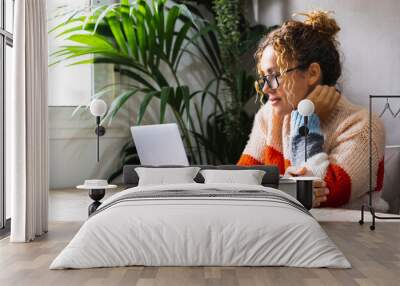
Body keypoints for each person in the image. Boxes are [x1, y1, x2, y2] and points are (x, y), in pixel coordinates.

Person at [237, 10, 385, 208]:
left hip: (347, 235)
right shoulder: (268, 116)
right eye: (264, 78)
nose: (265, 88)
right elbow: (242, 184)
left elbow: (317, 197)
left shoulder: (364, 126)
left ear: (313, 73)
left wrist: (307, 118)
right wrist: (284, 187)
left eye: (274, 76)